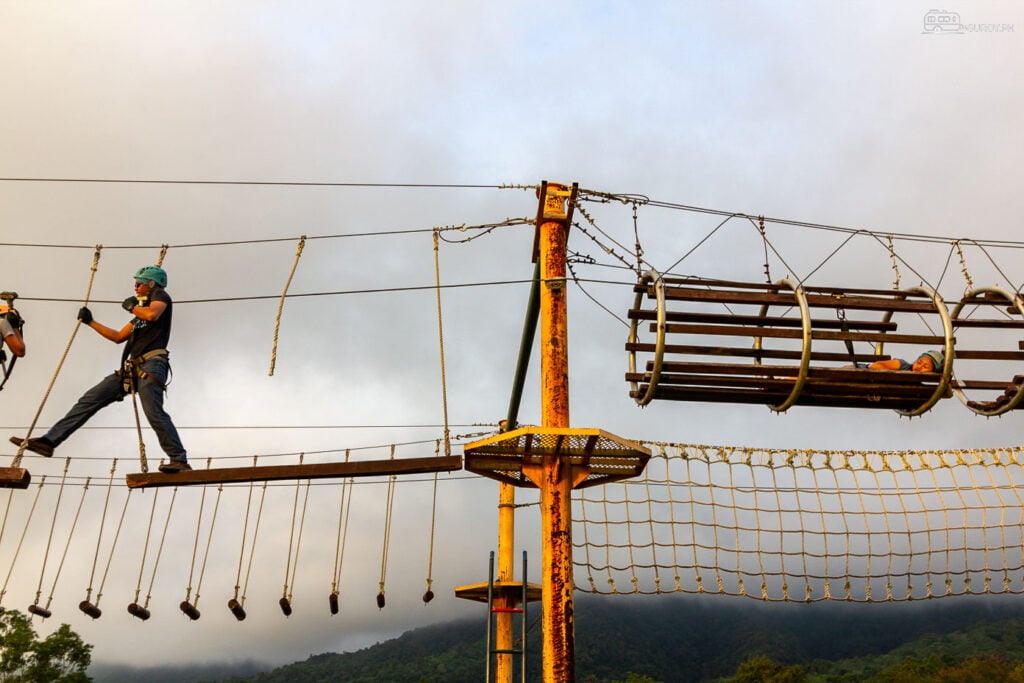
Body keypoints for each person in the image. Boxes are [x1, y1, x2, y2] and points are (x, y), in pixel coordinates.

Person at [9, 266, 190, 473]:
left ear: (150, 284)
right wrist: (90, 322)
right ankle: (49, 441)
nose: (135, 287)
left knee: (153, 411)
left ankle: (179, 459)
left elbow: (152, 315)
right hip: (133, 368)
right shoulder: (139, 315)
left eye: (138, 284)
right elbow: (118, 336)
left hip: (152, 363)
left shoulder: (159, 295)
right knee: (90, 398)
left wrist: (132, 307)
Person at [862, 349, 944, 373]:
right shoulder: (902, 365)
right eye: (919, 362)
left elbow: (948, 394)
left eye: (925, 367)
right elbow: (874, 366)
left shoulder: (918, 387)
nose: (919, 367)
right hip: (862, 370)